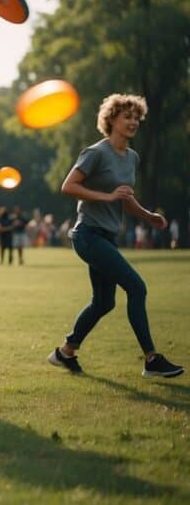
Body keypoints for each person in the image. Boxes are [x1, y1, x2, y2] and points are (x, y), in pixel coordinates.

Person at [47, 94, 182, 378]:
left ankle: (65, 352)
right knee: (137, 287)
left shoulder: (131, 157)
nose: (133, 122)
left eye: (136, 117)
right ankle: (151, 359)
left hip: (107, 237)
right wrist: (106, 196)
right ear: (111, 120)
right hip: (87, 235)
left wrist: (148, 216)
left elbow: (124, 197)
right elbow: (68, 186)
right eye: (127, 117)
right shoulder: (96, 152)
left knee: (104, 303)